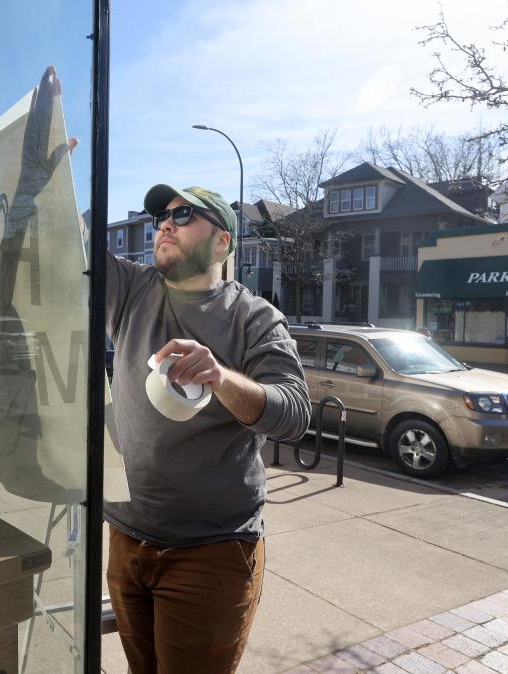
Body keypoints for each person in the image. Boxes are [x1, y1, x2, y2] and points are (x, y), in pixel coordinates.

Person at [105, 184, 311, 672]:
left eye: (183, 214)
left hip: (212, 549)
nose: (164, 224)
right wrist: (42, 169)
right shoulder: (132, 288)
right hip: (126, 535)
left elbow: (294, 414)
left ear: (223, 242)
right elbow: (63, 249)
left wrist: (219, 377)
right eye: (160, 216)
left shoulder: (254, 318)